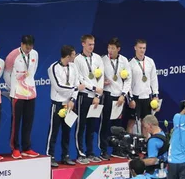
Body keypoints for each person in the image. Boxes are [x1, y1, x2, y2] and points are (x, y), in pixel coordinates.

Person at [4, 35, 39, 159]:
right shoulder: (12, 55)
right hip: (17, 94)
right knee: (16, 123)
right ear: (21, 44)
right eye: (26, 46)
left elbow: (33, 71)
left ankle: (26, 148)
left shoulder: (35, 54)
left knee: (28, 122)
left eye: (31, 46)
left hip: (31, 93)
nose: (28, 49)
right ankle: (15, 148)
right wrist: (14, 87)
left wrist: (28, 84)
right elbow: (6, 74)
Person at [46, 45, 82, 167]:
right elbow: (59, 87)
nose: (75, 56)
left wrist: (72, 99)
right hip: (58, 103)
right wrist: (75, 88)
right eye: (73, 54)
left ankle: (65, 155)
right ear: (68, 56)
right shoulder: (53, 68)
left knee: (67, 132)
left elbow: (77, 83)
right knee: (54, 131)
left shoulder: (73, 67)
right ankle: (50, 156)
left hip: (70, 104)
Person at [73, 34, 104, 164]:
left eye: (93, 44)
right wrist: (93, 88)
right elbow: (79, 78)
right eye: (89, 44)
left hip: (96, 98)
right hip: (83, 96)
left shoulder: (98, 58)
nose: (91, 46)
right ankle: (81, 153)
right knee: (81, 126)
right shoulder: (77, 60)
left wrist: (97, 95)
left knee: (92, 126)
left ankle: (90, 152)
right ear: (83, 44)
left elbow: (101, 77)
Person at [100, 37, 131, 160]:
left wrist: (123, 94)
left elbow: (128, 79)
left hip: (119, 98)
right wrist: (102, 82)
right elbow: (97, 76)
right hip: (107, 96)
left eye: (113, 48)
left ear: (118, 49)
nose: (110, 50)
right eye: (109, 48)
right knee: (105, 124)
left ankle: (117, 150)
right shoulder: (102, 60)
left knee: (117, 126)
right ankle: (103, 150)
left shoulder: (124, 61)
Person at [127, 39, 159, 134]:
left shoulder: (150, 61)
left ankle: (145, 145)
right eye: (140, 48)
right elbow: (128, 83)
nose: (142, 50)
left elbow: (154, 79)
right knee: (131, 122)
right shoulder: (130, 63)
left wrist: (155, 95)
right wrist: (130, 98)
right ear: (135, 48)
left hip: (147, 97)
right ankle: (129, 146)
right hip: (136, 98)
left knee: (145, 123)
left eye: (144, 48)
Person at [142, 115, 168, 179]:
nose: (146, 130)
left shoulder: (153, 141)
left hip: (152, 176)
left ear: (149, 125)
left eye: (145, 127)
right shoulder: (162, 134)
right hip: (163, 174)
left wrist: (137, 162)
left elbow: (152, 160)